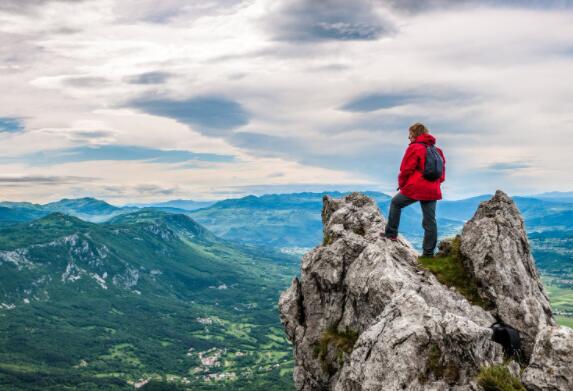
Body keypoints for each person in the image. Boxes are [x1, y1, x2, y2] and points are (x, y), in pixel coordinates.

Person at [383, 123, 446, 257]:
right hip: (432, 189)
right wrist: (434, 184)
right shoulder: (437, 151)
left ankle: (391, 234)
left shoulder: (414, 148)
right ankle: (428, 254)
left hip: (416, 187)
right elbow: (442, 174)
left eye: (410, 135)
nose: (408, 137)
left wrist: (402, 184)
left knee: (395, 203)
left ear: (414, 134)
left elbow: (406, 169)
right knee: (430, 221)